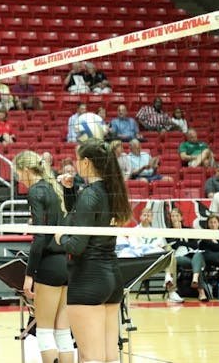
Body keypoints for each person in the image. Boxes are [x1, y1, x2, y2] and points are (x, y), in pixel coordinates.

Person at [54, 139, 132, 363]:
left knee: (91, 358)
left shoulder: (90, 194)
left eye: (78, 160)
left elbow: (77, 245)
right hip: (112, 280)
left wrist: (61, 237)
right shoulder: (111, 191)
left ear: (86, 162)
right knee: (109, 356)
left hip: (88, 279)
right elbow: (84, 217)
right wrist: (69, 192)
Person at [13, 151, 74, 363]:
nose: (19, 178)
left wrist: (30, 274)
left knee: (45, 331)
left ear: (27, 170)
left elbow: (39, 236)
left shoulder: (36, 192)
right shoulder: (53, 188)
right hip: (64, 265)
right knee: (63, 332)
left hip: (48, 265)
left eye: (19, 173)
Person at [127, 207, 184, 303]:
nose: (146, 217)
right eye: (144, 215)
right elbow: (134, 247)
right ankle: (169, 279)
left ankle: (170, 286)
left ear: (152, 218)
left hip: (156, 258)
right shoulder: (134, 231)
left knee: (169, 251)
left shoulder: (156, 231)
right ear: (140, 217)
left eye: (149, 215)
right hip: (143, 259)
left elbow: (162, 246)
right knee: (167, 252)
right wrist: (151, 248)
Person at [166, 208, 208, 302]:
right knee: (196, 265)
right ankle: (201, 292)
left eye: (177, 215)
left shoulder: (188, 230)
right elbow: (174, 246)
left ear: (181, 217)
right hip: (178, 257)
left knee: (198, 255)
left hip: (191, 255)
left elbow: (195, 245)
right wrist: (178, 235)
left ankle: (195, 279)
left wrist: (181, 242)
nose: (175, 218)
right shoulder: (168, 232)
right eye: (172, 216)